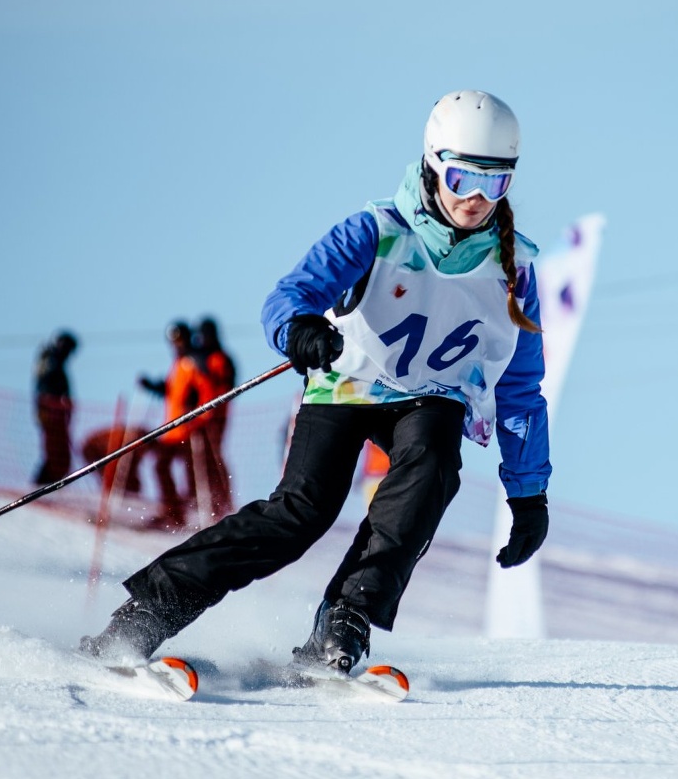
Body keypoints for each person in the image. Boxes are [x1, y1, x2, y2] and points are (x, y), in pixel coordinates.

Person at [82, 90, 552, 674]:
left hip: (432, 395)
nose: (476, 199)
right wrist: (299, 330)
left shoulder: (514, 271)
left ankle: (344, 622)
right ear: (433, 165)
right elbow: (291, 296)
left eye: (495, 184)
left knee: (431, 466)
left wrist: (528, 492)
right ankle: (144, 616)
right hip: (349, 385)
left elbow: (520, 390)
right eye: (462, 179)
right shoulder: (376, 231)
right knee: (303, 511)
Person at [138, 321, 217, 529]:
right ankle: (173, 513)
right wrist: (152, 386)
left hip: (189, 430)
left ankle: (204, 513)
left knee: (195, 472)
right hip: (173, 430)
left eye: (179, 339)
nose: (176, 344)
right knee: (162, 466)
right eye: (173, 341)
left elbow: (208, 393)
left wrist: (199, 419)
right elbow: (173, 391)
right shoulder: (179, 363)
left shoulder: (194, 361)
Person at [193, 317, 236, 518]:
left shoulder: (221, 358)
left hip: (216, 417)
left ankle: (222, 500)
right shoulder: (202, 358)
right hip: (201, 417)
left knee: (214, 457)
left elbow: (226, 386)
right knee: (201, 458)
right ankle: (203, 499)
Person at [32, 331, 78, 485]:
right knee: (55, 453)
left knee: (59, 454)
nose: (68, 354)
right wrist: (48, 407)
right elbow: (44, 387)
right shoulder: (50, 361)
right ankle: (43, 484)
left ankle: (49, 483)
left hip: (56, 413)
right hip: (51, 412)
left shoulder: (56, 363)